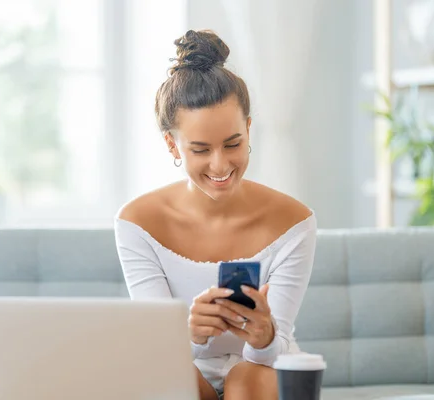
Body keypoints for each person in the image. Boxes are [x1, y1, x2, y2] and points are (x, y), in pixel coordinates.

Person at [114, 29, 317, 400]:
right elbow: (158, 349)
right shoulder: (137, 222)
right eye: (201, 149)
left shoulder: (294, 221)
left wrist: (264, 335)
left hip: (264, 368)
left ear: (249, 129)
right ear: (172, 144)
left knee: (246, 383)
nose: (220, 165)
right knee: (170, 383)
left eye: (233, 143)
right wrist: (189, 334)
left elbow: (277, 346)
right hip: (181, 365)